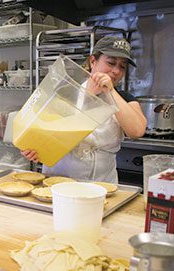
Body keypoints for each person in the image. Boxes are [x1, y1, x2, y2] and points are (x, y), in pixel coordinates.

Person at [21, 36, 147, 183]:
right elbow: (37, 130)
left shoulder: (124, 99)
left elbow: (137, 131)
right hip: (60, 181)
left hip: (102, 185)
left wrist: (110, 91)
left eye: (122, 66)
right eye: (111, 63)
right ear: (93, 61)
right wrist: (32, 149)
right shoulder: (65, 92)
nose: (116, 71)